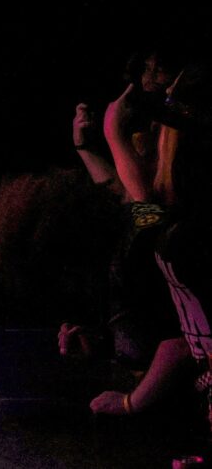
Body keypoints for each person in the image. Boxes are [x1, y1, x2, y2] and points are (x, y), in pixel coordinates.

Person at [89, 60, 212, 426]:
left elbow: (146, 216)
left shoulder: (187, 236)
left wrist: (113, 136)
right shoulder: (183, 228)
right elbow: (134, 207)